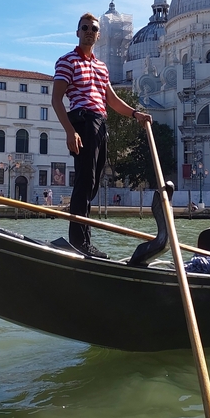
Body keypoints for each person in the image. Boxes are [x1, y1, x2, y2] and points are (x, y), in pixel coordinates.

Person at [53, 13, 152, 258]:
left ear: (98, 35)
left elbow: (111, 100)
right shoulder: (67, 62)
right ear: (78, 32)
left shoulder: (101, 67)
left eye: (93, 28)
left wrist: (135, 114)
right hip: (82, 120)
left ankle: (82, 239)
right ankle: (80, 242)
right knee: (85, 181)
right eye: (84, 27)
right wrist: (70, 131)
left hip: (100, 123)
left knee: (94, 183)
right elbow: (56, 100)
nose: (89, 31)